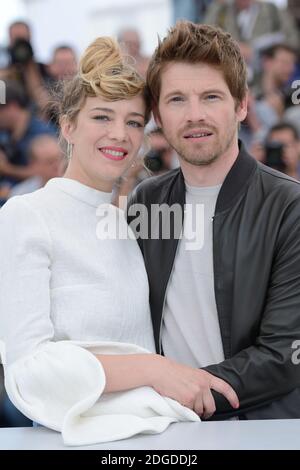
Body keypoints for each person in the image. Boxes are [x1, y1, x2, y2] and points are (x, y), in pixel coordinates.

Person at [0, 36, 239, 445]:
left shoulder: (129, 224)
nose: (119, 134)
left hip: (161, 436)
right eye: (102, 117)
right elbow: (28, 371)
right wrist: (155, 369)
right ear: (68, 125)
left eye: (133, 121)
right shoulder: (27, 215)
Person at [126, 21, 300, 420]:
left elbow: (284, 355)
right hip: (162, 429)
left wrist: (176, 391)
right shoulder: (148, 202)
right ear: (157, 114)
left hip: (259, 429)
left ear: (241, 105)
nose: (195, 115)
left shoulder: (288, 206)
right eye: (176, 100)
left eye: (210, 97)